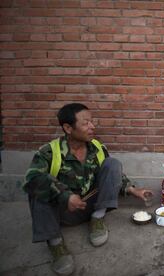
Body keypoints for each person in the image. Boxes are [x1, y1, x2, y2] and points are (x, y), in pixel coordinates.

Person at [23, 103, 152, 275]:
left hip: (92, 205)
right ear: (68, 128)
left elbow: (112, 175)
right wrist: (65, 195)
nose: (92, 127)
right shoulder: (49, 152)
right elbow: (32, 179)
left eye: (92, 122)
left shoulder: (97, 147)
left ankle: (97, 219)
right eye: (86, 123)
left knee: (113, 164)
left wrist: (132, 190)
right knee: (37, 187)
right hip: (63, 211)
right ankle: (56, 244)